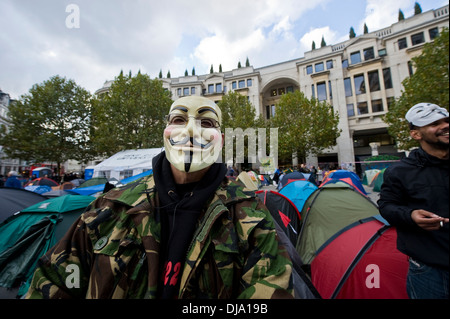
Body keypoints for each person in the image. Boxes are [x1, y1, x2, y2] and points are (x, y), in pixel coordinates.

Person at [25, 96, 295, 299]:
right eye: (179, 119)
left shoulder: (251, 216)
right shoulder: (110, 207)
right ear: (164, 131)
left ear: (221, 139)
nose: (190, 130)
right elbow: (53, 281)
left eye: (206, 122)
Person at [378, 102, 449, 299]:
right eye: (435, 123)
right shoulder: (401, 171)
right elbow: (386, 206)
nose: (445, 125)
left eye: (446, 120)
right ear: (416, 134)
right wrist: (410, 215)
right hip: (430, 270)